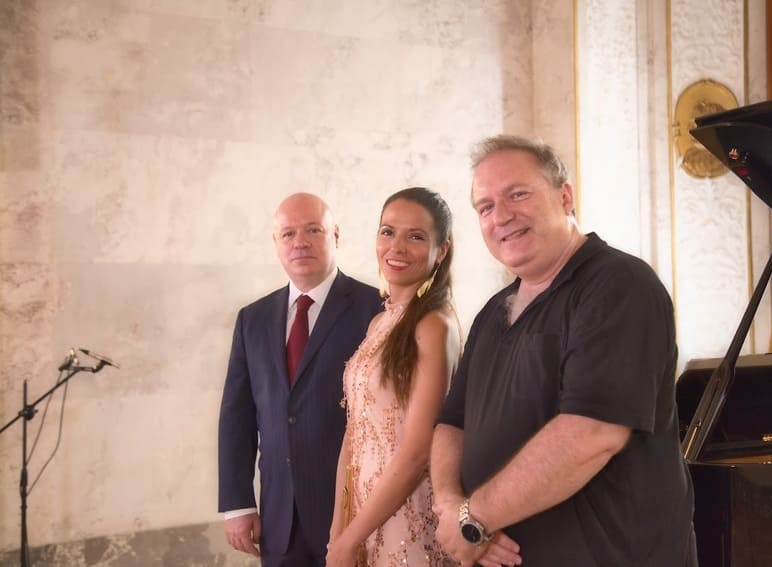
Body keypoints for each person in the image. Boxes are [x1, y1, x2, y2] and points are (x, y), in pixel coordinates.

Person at [432, 135, 697, 566]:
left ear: (565, 196)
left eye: (518, 194)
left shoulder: (619, 285)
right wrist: (452, 506)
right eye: (485, 206)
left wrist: (475, 517)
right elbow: (451, 423)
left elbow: (592, 434)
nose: (501, 216)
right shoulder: (492, 311)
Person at [218, 193, 384, 566]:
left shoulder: (376, 309)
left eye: (313, 230)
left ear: (335, 235)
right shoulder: (252, 319)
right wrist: (237, 503)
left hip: (356, 512)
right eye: (288, 233)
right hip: (280, 521)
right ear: (276, 243)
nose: (300, 242)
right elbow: (237, 416)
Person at [326, 187, 461, 567]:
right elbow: (355, 434)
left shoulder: (434, 324)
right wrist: (341, 529)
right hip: (363, 515)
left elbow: (418, 451)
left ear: (442, 250)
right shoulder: (379, 322)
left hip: (408, 518)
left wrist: (351, 536)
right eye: (388, 232)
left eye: (415, 236)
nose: (396, 247)